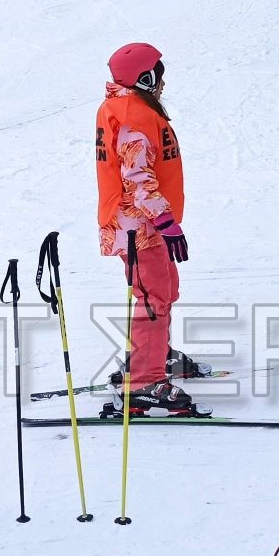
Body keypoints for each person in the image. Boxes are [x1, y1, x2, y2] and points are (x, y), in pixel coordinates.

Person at [95, 43, 206, 417]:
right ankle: (143, 382)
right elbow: (137, 179)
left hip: (143, 223)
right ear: (144, 78)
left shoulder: (131, 108)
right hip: (138, 225)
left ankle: (153, 355)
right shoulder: (132, 118)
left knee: (163, 290)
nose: (162, 82)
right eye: (157, 75)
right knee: (153, 299)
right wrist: (166, 222)